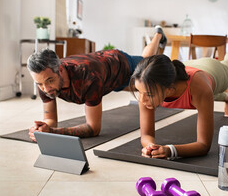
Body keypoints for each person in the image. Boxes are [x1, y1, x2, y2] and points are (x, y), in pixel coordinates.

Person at [27, 26, 167, 141]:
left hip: (121, 66)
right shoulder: (43, 79)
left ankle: (158, 35)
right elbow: (50, 119)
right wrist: (42, 128)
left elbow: (93, 128)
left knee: (148, 61)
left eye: (50, 81)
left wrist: (52, 132)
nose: (45, 89)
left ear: (61, 69)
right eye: (39, 84)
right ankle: (158, 36)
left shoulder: (88, 77)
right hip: (105, 79)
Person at [129, 40, 228, 159]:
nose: (142, 99)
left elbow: (204, 145)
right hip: (187, 68)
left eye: (148, 94)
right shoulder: (147, 86)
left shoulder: (201, 89)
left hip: (213, 70)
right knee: (204, 98)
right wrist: (150, 146)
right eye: (139, 91)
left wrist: (171, 150)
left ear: (169, 90)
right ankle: (225, 97)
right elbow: (146, 134)